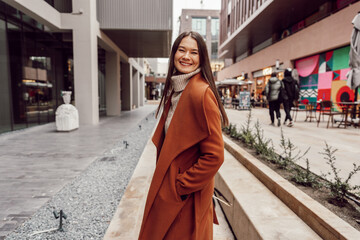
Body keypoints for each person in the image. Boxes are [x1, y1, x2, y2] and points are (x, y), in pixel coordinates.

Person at [138, 31, 229, 240]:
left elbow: (214, 156)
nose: (186, 56)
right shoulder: (177, 89)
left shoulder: (200, 93)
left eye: (194, 52)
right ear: (174, 54)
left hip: (185, 197)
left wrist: (180, 187)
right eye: (182, 50)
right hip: (173, 191)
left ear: (202, 58)